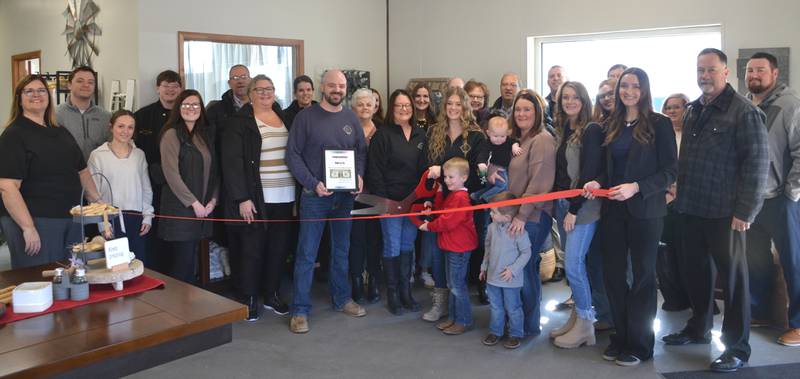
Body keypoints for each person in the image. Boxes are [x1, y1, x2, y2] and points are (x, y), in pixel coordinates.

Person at [665, 48, 769, 373]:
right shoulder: (693, 110)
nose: (704, 75)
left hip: (727, 213)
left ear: (725, 72)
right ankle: (699, 328)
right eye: (700, 70)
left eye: (711, 69)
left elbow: (757, 165)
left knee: (734, 283)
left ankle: (737, 348)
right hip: (691, 209)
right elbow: (687, 160)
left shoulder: (745, 112)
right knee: (696, 275)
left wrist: (746, 211)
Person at [285, 69, 368, 334]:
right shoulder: (305, 117)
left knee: (341, 250)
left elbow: (360, 152)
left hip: (344, 197)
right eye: (332, 85)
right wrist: (312, 183)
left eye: (341, 86)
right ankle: (299, 310)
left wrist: (358, 176)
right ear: (322, 87)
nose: (337, 90)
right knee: (306, 254)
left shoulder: (350, 118)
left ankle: (341, 298)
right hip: (314, 197)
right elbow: (292, 155)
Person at [0, 75, 102, 268]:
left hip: (71, 218)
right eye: (29, 91)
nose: (36, 95)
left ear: (49, 96)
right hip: (37, 221)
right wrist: (28, 227)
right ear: (19, 99)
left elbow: (82, 171)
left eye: (41, 90)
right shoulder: (13, 135)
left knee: (73, 276)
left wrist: (100, 207)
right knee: (39, 278)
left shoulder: (60, 131)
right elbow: (7, 187)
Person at [221, 75, 294, 321]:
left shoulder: (284, 117)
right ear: (250, 94)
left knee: (278, 249)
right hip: (255, 198)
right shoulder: (239, 122)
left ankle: (271, 294)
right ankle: (249, 297)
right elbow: (232, 163)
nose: (265, 93)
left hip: (285, 195)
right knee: (252, 250)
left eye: (269, 89)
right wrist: (242, 198)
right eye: (259, 89)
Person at [743, 52, 800, 346]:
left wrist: (792, 192)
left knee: (794, 261)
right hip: (752, 200)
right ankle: (761, 313)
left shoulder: (790, 104)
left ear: (775, 74)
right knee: (756, 260)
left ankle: (799, 324)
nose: (754, 75)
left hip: (782, 199)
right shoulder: (746, 104)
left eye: (761, 70)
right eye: (750, 70)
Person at [548, 81, 605, 349]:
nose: (569, 102)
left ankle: (585, 325)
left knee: (573, 265)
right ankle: (576, 318)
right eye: (565, 97)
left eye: (575, 97)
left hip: (582, 209)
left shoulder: (591, 130)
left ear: (584, 100)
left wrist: (573, 209)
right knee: (574, 267)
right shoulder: (565, 129)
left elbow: (588, 173)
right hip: (563, 204)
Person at [423, 86, 488, 315]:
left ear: (465, 106)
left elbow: (479, 176)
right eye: (449, 103)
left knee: (458, 260)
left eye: (458, 104)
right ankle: (440, 303)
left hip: (463, 208)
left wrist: (443, 170)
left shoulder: (477, 135)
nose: (453, 108)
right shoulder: (433, 132)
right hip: (438, 204)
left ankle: (458, 310)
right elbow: (425, 168)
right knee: (437, 255)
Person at [498, 89, 556, 337]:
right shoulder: (521, 140)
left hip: (533, 217)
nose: (521, 114)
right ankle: (520, 321)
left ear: (537, 112)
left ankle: (529, 325)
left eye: (527, 110)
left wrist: (522, 216)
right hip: (519, 215)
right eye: (518, 110)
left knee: (524, 269)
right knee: (523, 269)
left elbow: (539, 183)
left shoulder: (542, 139)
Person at [367, 89, 427, 315]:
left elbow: (423, 170)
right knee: (392, 245)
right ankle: (393, 294)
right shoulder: (383, 135)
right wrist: (386, 202)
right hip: (390, 202)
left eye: (407, 105)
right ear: (391, 108)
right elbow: (375, 171)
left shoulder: (421, 134)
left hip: (413, 202)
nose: (404, 109)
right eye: (399, 105)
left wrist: (421, 199)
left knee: (407, 246)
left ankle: (405, 291)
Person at [158, 89, 219, 284]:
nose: (190, 108)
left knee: (192, 264)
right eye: (185, 104)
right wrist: (194, 203)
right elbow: (171, 175)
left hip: (203, 210)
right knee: (182, 266)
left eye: (195, 104)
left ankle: (190, 302)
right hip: (181, 211)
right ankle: (178, 303)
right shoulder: (171, 134)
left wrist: (213, 200)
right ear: (178, 108)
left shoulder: (204, 135)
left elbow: (215, 171)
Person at [87, 110, 154, 265]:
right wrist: (102, 222)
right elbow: (93, 192)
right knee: (116, 268)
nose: (125, 131)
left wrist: (148, 216)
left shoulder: (139, 155)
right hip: (110, 220)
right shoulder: (98, 155)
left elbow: (146, 188)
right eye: (121, 126)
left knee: (137, 265)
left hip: (136, 219)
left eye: (130, 127)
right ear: (111, 127)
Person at [420, 157, 478, 335]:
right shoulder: (454, 195)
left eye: (451, 177)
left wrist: (429, 226)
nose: (447, 180)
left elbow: (448, 221)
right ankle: (453, 318)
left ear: (464, 178)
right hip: (451, 246)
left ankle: (463, 320)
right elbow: (442, 210)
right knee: (453, 284)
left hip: (459, 248)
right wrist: (436, 196)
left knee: (457, 286)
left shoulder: (461, 198)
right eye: (445, 177)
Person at [134, 69, 182, 273]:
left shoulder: (186, 114)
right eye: (166, 86)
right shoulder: (142, 116)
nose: (170, 90)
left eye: (175, 86)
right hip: (150, 186)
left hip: (180, 186)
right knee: (153, 233)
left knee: (177, 236)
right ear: (157, 89)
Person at [480, 192, 532, 350]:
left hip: (510, 280)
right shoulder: (491, 228)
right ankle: (496, 331)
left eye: (494, 212)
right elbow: (488, 248)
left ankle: (515, 333)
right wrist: (484, 267)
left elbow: (526, 253)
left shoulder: (519, 231)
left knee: (513, 307)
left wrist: (513, 270)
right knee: (496, 306)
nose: (491, 214)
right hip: (492, 278)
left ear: (507, 217)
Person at [657, 93, 692, 312]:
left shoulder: (692, 135)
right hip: (665, 200)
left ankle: (693, 298)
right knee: (666, 252)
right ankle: (674, 298)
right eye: (668, 107)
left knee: (687, 253)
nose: (671, 111)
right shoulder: (660, 135)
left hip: (688, 201)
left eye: (676, 107)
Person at [349, 88, 383, 305]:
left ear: (374, 107)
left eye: (368, 104)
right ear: (353, 107)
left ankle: (373, 279)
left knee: (374, 239)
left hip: (376, 195)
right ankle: (356, 279)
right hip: (352, 195)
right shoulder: (347, 130)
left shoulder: (382, 132)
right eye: (360, 104)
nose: (364, 108)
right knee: (356, 239)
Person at [56, 66, 111, 160]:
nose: (86, 85)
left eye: (90, 82)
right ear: (69, 85)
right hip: (66, 168)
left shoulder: (106, 116)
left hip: (98, 168)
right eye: (80, 81)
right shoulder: (55, 115)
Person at [470, 117, 521, 203]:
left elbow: (515, 141)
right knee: (503, 185)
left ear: (507, 134)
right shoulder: (488, 143)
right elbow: (483, 154)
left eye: (502, 136)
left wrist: (515, 146)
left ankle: (476, 195)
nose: (499, 139)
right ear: (488, 133)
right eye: (495, 136)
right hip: (496, 168)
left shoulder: (507, 141)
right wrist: (481, 163)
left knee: (491, 187)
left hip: (503, 168)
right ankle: (485, 198)